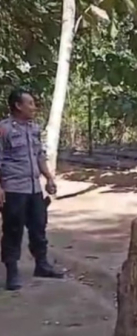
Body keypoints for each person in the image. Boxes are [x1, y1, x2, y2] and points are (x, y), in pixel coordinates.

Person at [0, 88, 63, 290]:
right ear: (18, 106)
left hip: (34, 188)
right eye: (30, 103)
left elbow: (39, 156)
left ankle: (42, 265)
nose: (34, 107)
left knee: (39, 226)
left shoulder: (34, 129)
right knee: (13, 229)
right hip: (13, 188)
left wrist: (49, 178)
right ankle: (12, 272)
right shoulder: (4, 129)